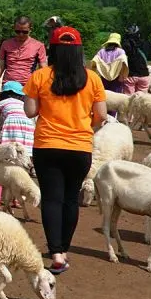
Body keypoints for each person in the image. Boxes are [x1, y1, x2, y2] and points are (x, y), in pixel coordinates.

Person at [24, 25, 108, 275]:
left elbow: (30, 112)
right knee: (71, 199)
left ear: (52, 49)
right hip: (79, 147)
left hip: (47, 145)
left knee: (51, 199)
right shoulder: (92, 78)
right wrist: (84, 127)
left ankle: (56, 253)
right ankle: (64, 249)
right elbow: (101, 115)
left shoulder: (39, 76)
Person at [0, 81, 35, 211]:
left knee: (2, 166)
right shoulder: (23, 104)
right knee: (20, 167)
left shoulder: (1, 104)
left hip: (11, 129)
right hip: (28, 131)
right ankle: (16, 200)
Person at [0, 15, 47, 106]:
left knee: (26, 117)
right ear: (13, 28)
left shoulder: (38, 46)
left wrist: (46, 90)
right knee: (7, 114)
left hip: (27, 87)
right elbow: (0, 67)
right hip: (8, 87)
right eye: (17, 31)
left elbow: (43, 69)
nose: (21, 35)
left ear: (30, 29)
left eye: (24, 32)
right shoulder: (6, 44)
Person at [120, 25, 151, 95]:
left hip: (130, 76)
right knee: (142, 100)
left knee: (128, 100)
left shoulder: (125, 45)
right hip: (144, 75)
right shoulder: (146, 44)